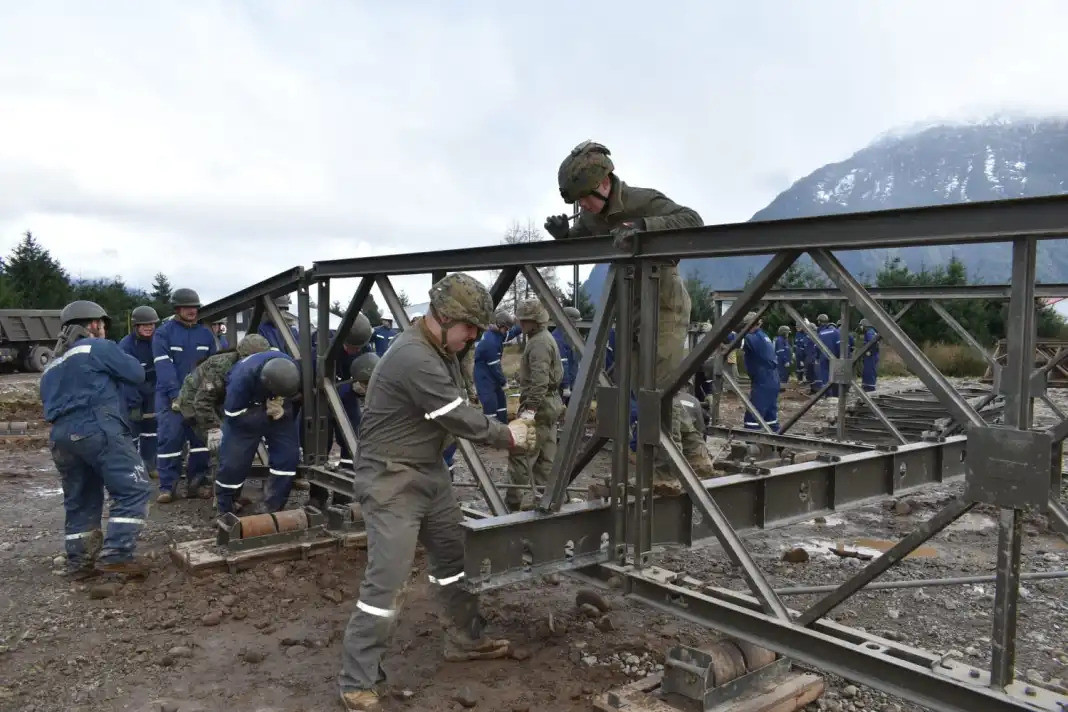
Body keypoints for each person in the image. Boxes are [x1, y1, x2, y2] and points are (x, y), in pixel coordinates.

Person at [338, 273, 536, 711]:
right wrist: (510, 435)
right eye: (469, 328)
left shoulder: (441, 348)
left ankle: (465, 638)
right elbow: (455, 415)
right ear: (445, 318)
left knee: (451, 560)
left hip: (427, 471)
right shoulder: (415, 357)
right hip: (391, 478)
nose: (472, 338)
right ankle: (358, 679)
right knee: (387, 579)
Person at [546, 141, 702, 493]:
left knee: (658, 391)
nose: (582, 207)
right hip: (629, 302)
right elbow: (581, 242)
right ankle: (696, 453)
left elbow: (693, 220)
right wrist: (563, 237)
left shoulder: (641, 200)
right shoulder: (591, 216)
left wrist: (644, 225)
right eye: (577, 202)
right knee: (632, 385)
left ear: (604, 183)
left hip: (663, 302)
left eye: (585, 197)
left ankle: (665, 473)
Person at [41, 300, 152, 578]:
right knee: (133, 487)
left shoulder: (51, 367)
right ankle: (117, 554)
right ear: (93, 324)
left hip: (60, 437)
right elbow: (136, 374)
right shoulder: (97, 348)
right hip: (96, 426)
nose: (103, 329)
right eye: (102, 324)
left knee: (81, 498)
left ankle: (80, 563)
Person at [214, 350, 303, 514]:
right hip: (245, 414)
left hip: (279, 409)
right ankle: (225, 506)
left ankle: (272, 506)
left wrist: (284, 410)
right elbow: (233, 415)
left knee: (288, 456)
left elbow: (300, 397)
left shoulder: (293, 371)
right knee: (233, 463)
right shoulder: (240, 380)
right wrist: (264, 412)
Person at [153, 288, 217, 503]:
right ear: (177, 308)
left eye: (195, 307)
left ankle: (197, 484)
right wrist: (175, 396)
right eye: (187, 307)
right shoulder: (164, 333)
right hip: (171, 398)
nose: (192, 311)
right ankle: (167, 487)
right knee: (170, 441)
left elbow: (211, 366)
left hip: (198, 398)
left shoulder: (205, 334)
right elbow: (163, 367)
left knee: (200, 441)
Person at [506, 299, 563, 511]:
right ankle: (547, 500)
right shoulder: (543, 338)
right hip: (550, 404)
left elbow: (540, 380)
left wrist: (530, 409)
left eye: (524, 320)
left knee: (522, 454)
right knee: (546, 458)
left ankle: (513, 503)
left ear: (535, 321)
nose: (520, 324)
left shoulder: (538, 343)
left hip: (539, 406)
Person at [175, 334, 271, 443]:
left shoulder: (263, 366)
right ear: (241, 356)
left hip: (219, 399)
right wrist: (213, 428)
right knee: (220, 442)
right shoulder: (221, 368)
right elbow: (202, 401)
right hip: (193, 398)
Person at [119, 305, 160, 479]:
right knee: (132, 435)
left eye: (151, 324)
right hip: (132, 394)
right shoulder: (126, 345)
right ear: (136, 326)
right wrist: (133, 402)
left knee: (151, 433)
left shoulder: (159, 342)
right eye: (145, 324)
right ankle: (131, 469)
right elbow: (123, 376)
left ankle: (151, 466)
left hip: (153, 394)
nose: (149, 327)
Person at [741, 312, 780, 431]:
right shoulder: (764, 336)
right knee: (770, 414)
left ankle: (750, 443)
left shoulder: (751, 338)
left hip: (763, 380)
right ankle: (774, 441)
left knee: (753, 416)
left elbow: (734, 341)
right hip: (773, 379)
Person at [473, 310, 512, 423]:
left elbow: (511, 333)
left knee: (501, 406)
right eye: (506, 329)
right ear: (500, 325)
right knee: (491, 409)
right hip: (485, 380)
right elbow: (495, 367)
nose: (506, 332)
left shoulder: (497, 335)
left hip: (493, 377)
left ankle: (504, 431)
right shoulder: (489, 342)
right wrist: (503, 382)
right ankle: (491, 437)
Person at [814, 314, 842, 398]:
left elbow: (817, 347)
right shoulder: (836, 332)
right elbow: (839, 345)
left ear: (819, 322)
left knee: (825, 377)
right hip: (835, 358)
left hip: (823, 358)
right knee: (836, 376)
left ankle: (827, 395)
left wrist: (817, 357)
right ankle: (836, 395)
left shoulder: (820, 333)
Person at [859, 319, 879, 391]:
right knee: (870, 371)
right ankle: (866, 386)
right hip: (873, 355)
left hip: (870, 356)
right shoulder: (873, 332)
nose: (861, 327)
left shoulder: (869, 332)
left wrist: (870, 351)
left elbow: (872, 343)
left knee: (869, 372)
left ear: (865, 325)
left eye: (861, 326)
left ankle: (869, 387)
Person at [774, 325, 792, 389]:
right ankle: (780, 389)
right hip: (781, 362)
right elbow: (781, 352)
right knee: (782, 375)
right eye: (787, 333)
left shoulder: (785, 340)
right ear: (783, 332)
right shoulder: (779, 340)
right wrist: (786, 361)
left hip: (785, 362)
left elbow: (787, 350)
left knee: (785, 375)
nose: (788, 334)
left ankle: (782, 388)